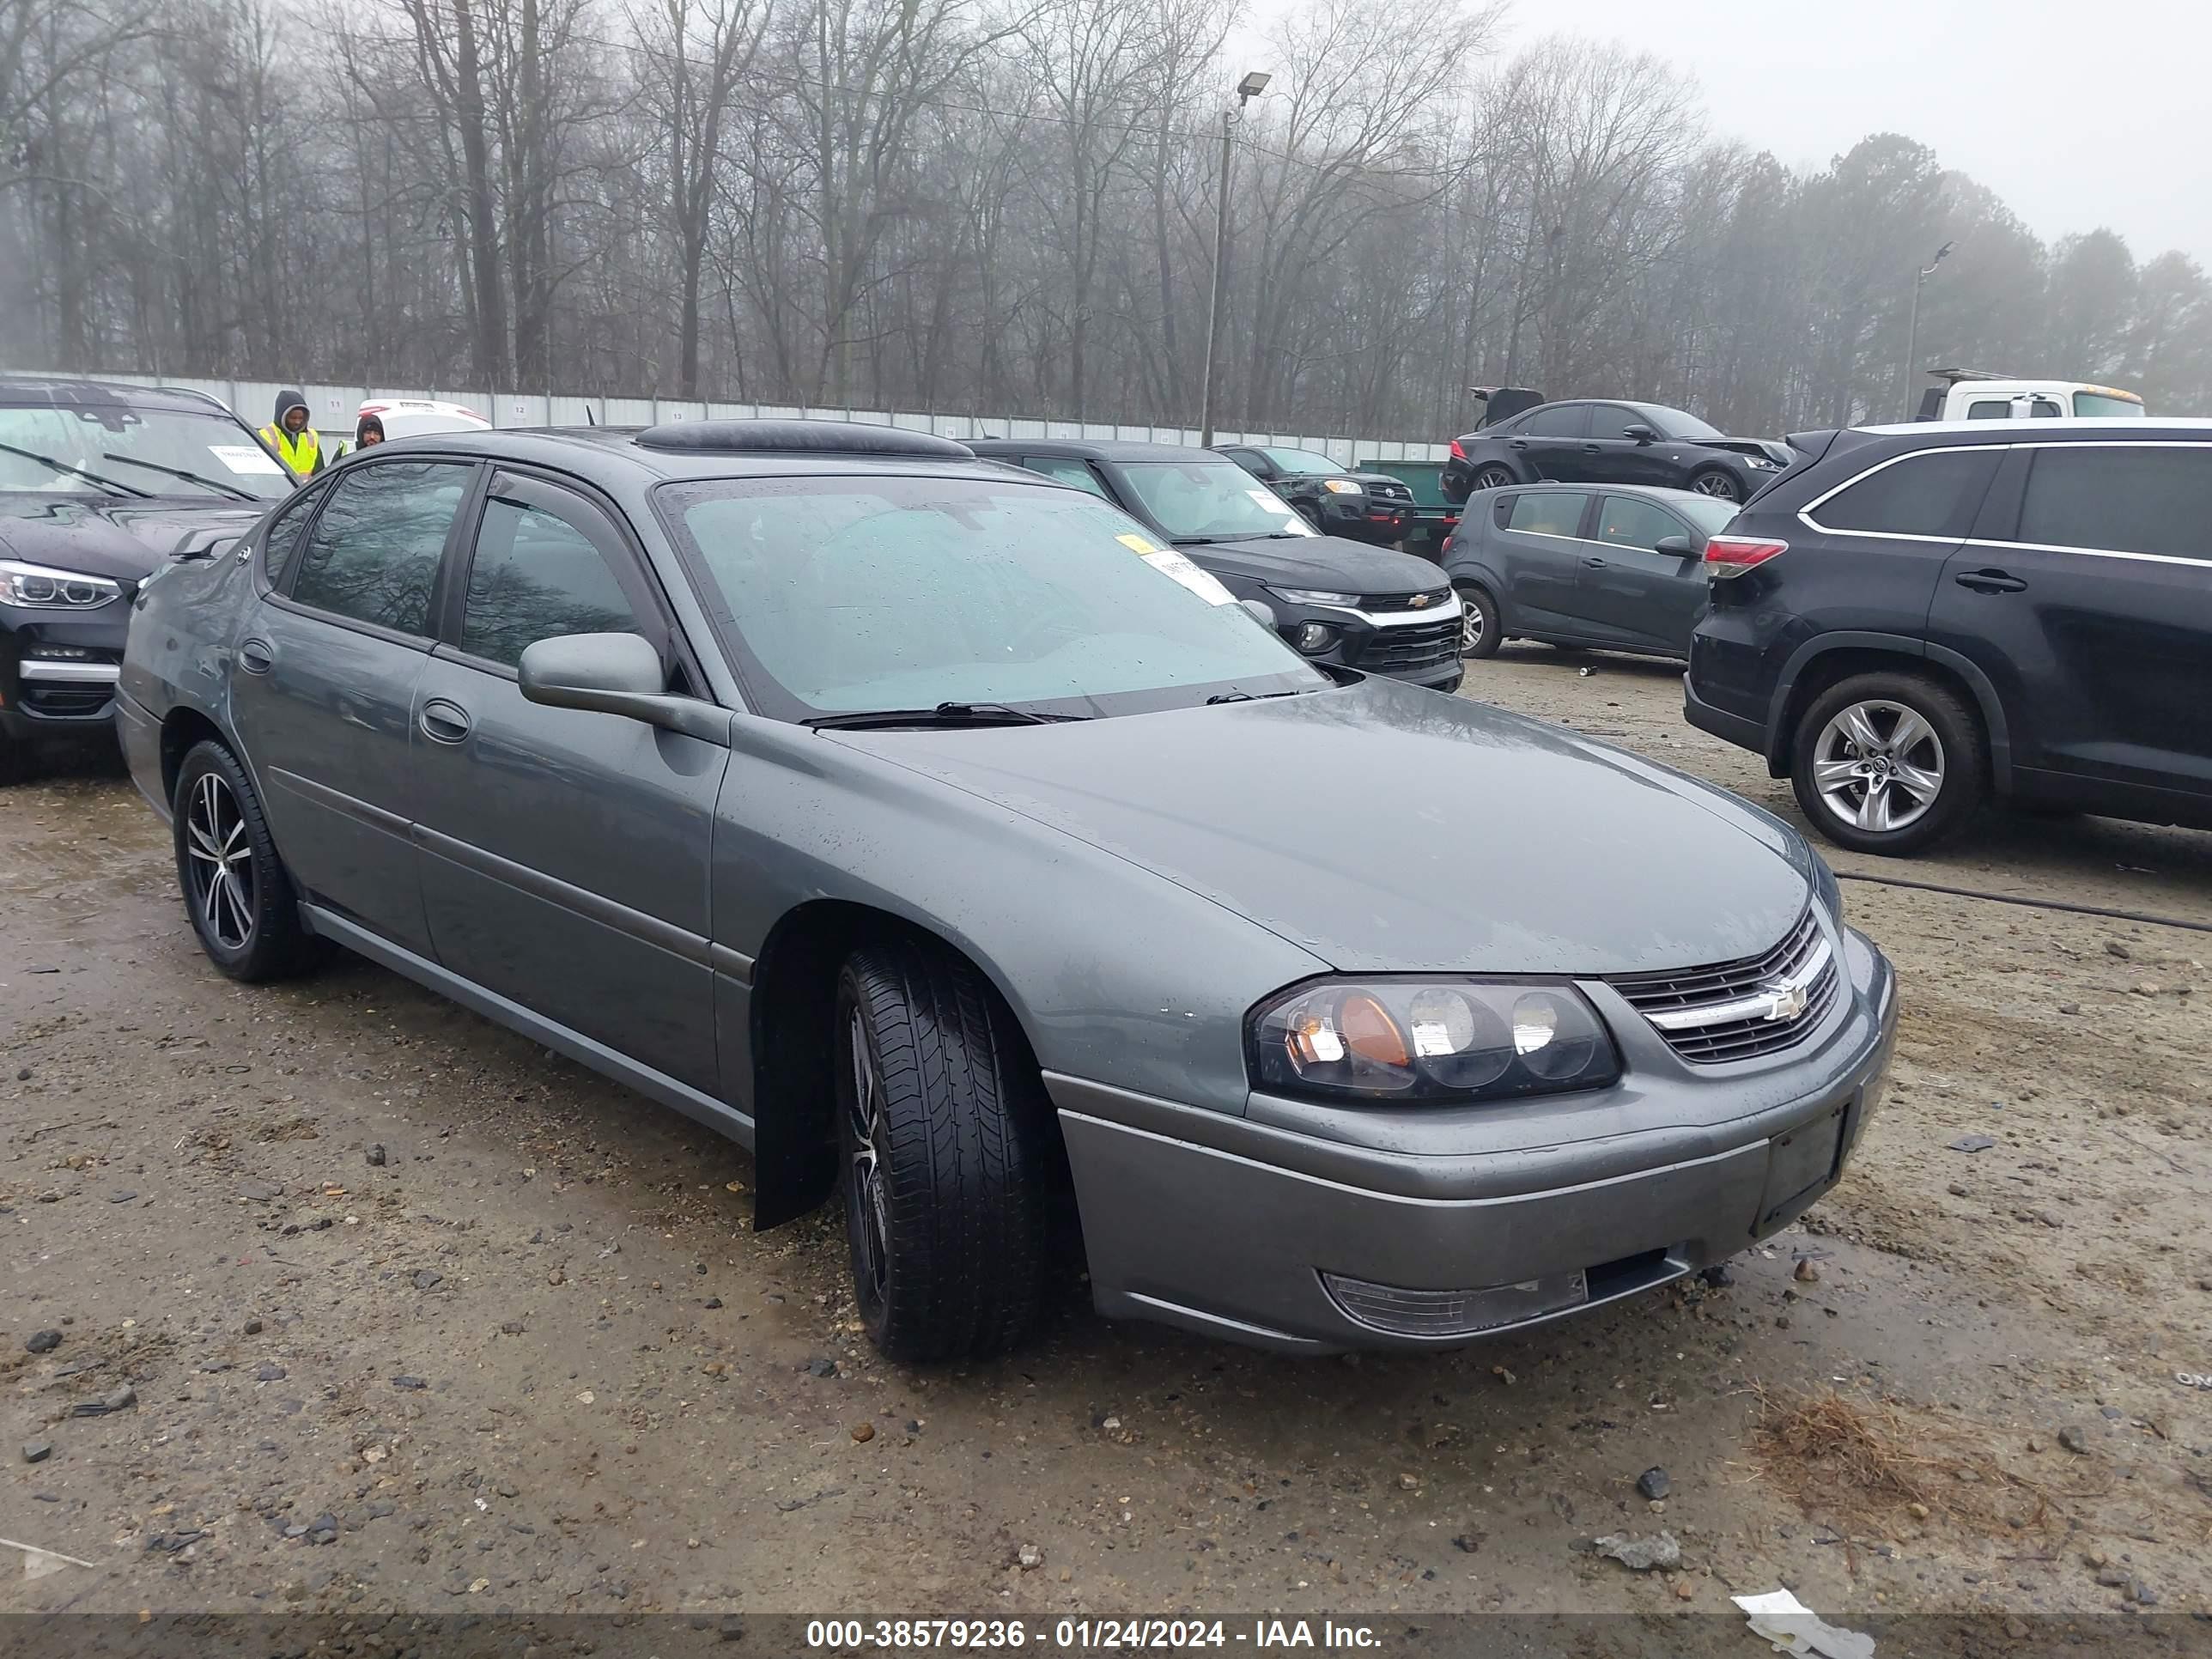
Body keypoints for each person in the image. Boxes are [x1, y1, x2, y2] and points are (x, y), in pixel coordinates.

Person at [258, 390, 325, 481]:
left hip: (307, 492)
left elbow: (320, 473)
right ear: (282, 416)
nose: (297, 422)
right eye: (293, 418)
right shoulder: (264, 436)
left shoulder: (311, 436)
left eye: (301, 418)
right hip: (278, 493)